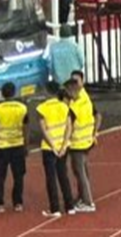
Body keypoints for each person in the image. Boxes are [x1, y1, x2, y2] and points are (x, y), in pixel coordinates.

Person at [36, 81, 75, 217]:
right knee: (63, 175)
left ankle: (55, 208)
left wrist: (52, 146)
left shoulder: (42, 108)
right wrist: (63, 145)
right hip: (63, 146)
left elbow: (44, 130)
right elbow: (69, 127)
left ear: (47, 91)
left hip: (49, 148)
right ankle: (70, 206)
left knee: (51, 178)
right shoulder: (64, 107)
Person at [0, 82, 28, 213]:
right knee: (18, 176)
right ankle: (18, 203)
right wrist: (26, 145)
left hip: (2, 146)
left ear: (2, 93)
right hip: (18, 144)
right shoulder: (22, 108)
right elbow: (26, 128)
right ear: (14, 92)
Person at [65, 76, 102, 213]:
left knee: (80, 172)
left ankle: (88, 201)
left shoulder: (74, 107)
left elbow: (70, 127)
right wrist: (94, 133)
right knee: (83, 170)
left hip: (78, 143)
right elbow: (97, 115)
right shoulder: (85, 97)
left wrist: (65, 143)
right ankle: (82, 197)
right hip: (88, 140)